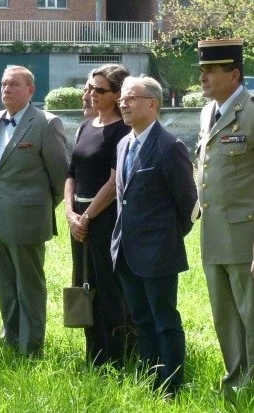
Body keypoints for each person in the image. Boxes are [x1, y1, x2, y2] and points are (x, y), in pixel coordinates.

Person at [110, 76, 198, 396]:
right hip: (126, 250)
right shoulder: (123, 144)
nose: (123, 103)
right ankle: (151, 381)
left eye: (131, 98)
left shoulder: (169, 146)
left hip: (159, 251)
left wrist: (167, 238)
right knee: (142, 321)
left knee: (165, 321)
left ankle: (172, 387)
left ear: (152, 104)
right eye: (122, 98)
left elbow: (189, 205)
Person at [0, 66, 69, 356]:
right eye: (4, 84)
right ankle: (11, 335)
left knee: (28, 284)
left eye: (14, 85)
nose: (6, 89)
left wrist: (35, 207)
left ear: (31, 90)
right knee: (4, 280)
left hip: (26, 217)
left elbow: (60, 178)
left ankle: (32, 345)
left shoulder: (45, 123)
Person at [64, 64, 133, 367]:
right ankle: (94, 354)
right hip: (78, 218)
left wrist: (88, 216)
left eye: (99, 90)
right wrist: (69, 212)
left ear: (117, 95)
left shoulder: (122, 130)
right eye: (90, 87)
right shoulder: (85, 126)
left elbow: (115, 182)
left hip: (104, 218)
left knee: (108, 286)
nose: (90, 94)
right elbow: (71, 173)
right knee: (84, 284)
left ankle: (117, 355)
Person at [196, 38, 254, 391]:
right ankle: (237, 378)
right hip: (214, 229)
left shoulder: (252, 112)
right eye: (202, 70)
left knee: (251, 313)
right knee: (224, 314)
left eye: (211, 70)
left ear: (234, 74)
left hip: (245, 233)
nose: (203, 77)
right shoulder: (207, 113)